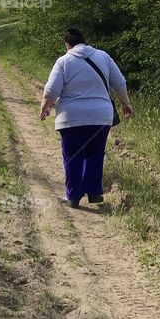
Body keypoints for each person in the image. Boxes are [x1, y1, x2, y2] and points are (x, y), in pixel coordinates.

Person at [39, 28, 134, 208]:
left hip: (71, 118)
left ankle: (73, 196)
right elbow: (119, 82)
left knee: (73, 155)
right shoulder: (103, 56)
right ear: (85, 40)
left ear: (67, 45)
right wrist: (126, 103)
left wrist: (45, 107)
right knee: (95, 153)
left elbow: (52, 90)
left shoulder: (64, 61)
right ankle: (94, 192)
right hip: (100, 116)